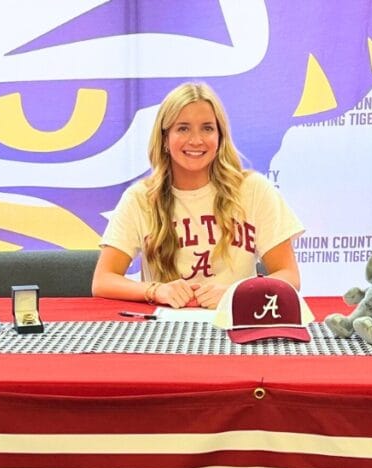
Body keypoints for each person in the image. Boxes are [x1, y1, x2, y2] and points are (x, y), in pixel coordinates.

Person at [92, 82, 303, 309]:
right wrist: (156, 290)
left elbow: (289, 276)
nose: (196, 140)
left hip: (236, 328)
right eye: (183, 128)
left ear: (220, 137)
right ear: (164, 139)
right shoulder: (140, 198)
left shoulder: (254, 189)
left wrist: (237, 294)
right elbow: (103, 280)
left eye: (207, 128)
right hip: (163, 333)